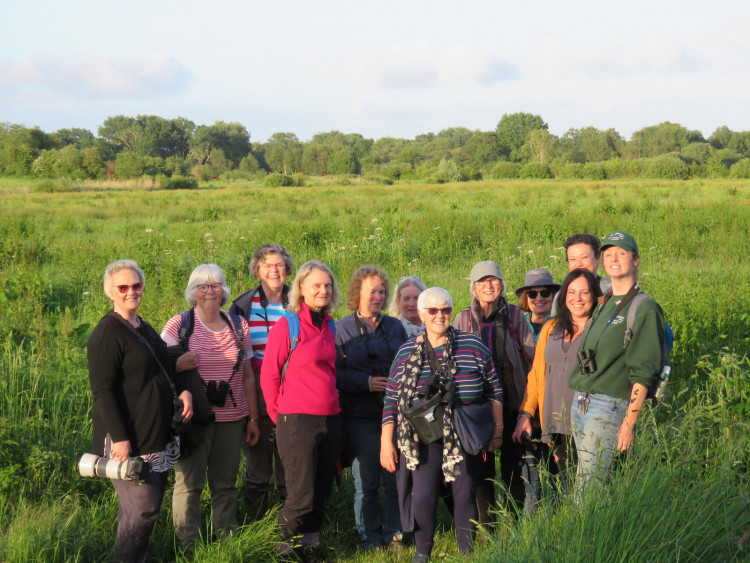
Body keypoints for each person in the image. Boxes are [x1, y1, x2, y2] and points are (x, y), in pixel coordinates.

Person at [380, 287, 503, 562]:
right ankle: (423, 551)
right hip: (423, 437)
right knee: (423, 495)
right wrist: (385, 442)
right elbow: (391, 399)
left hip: (463, 432)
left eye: (445, 309)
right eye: (433, 310)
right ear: (421, 314)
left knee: (464, 493)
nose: (440, 315)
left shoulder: (472, 344)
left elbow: (494, 388)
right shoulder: (406, 352)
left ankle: (466, 553)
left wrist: (498, 430)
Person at [87, 260, 193, 562]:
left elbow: (164, 363)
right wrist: (119, 439)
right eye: (123, 287)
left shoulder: (141, 326)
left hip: (153, 435)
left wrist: (184, 389)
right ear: (111, 292)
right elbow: (103, 391)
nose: (131, 291)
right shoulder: (107, 333)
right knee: (143, 511)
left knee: (142, 511)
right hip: (129, 439)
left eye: (137, 285)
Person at [162, 264, 260, 548]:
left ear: (224, 291)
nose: (210, 292)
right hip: (194, 419)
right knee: (189, 485)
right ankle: (188, 546)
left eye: (216, 286)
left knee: (225, 485)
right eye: (203, 286)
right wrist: (178, 363)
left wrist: (253, 418)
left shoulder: (237, 325)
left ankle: (227, 542)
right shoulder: (179, 325)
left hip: (232, 419)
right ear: (193, 292)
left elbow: (247, 375)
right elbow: (157, 367)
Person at [568, 232, 665, 497]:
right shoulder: (605, 302)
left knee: (587, 491)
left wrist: (629, 423)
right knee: (590, 482)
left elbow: (643, 372)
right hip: (582, 401)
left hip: (608, 406)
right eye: (608, 253)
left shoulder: (644, 308)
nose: (613, 258)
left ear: (635, 260)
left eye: (621, 253)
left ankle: (583, 537)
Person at [260, 260, 342, 555]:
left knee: (321, 492)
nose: (323, 290)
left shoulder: (331, 324)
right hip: (296, 421)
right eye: (317, 285)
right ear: (302, 290)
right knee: (301, 496)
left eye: (328, 285)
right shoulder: (289, 324)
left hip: (330, 420)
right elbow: (269, 373)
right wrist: (279, 416)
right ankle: (283, 550)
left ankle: (311, 547)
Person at [453, 261, 536, 517]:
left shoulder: (514, 316)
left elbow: (532, 358)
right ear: (474, 288)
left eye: (494, 280)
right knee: (482, 469)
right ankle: (487, 525)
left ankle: (513, 520)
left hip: (512, 403)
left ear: (502, 285)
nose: (489, 285)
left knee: (513, 466)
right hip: (477, 409)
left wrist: (529, 406)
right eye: (482, 281)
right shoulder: (463, 319)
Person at [512, 269, 602, 496]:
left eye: (584, 292)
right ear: (564, 296)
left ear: (594, 295)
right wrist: (525, 413)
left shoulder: (600, 329)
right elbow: (537, 373)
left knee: (591, 488)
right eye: (572, 292)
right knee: (565, 487)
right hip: (555, 423)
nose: (577, 298)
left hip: (589, 422)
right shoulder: (551, 328)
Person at [336, 266, 408, 550]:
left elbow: (409, 364)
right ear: (357, 293)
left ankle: (395, 534)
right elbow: (334, 374)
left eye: (381, 292)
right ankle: (369, 537)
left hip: (395, 415)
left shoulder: (395, 327)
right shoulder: (341, 328)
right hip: (360, 415)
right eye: (372, 292)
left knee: (394, 478)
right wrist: (366, 382)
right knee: (366, 481)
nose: (378, 297)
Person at [229, 243, 294, 520]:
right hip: (255, 384)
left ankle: (290, 524)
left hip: (293, 385)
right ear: (257, 271)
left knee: (289, 457)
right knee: (257, 456)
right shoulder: (243, 306)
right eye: (267, 265)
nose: (274, 270)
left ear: (288, 268)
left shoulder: (300, 300)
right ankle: (255, 523)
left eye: (279, 264)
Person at [551, 233, 612, 317]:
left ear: (598, 257)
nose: (579, 264)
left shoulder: (611, 290)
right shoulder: (561, 295)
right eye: (573, 259)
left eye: (584, 257)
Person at [515, 269, 560, 340]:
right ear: (526, 298)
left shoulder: (561, 324)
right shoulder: (517, 323)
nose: (539, 299)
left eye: (545, 293)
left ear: (553, 295)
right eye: (532, 294)